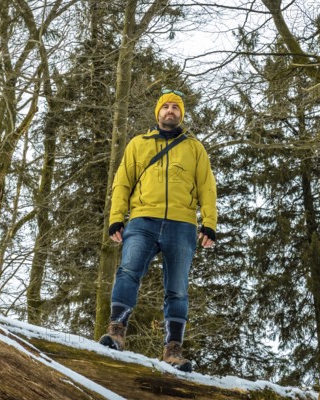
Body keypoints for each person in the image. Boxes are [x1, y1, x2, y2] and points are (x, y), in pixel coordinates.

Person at [98, 89, 217, 372]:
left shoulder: (194, 148)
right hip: (142, 220)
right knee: (128, 271)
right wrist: (116, 218)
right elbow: (122, 182)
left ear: (181, 114)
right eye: (166, 107)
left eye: (176, 107)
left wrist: (209, 223)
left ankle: (173, 349)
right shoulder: (138, 144)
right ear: (158, 112)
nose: (171, 111)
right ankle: (116, 331)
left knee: (177, 289)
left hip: (182, 224)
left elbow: (207, 188)